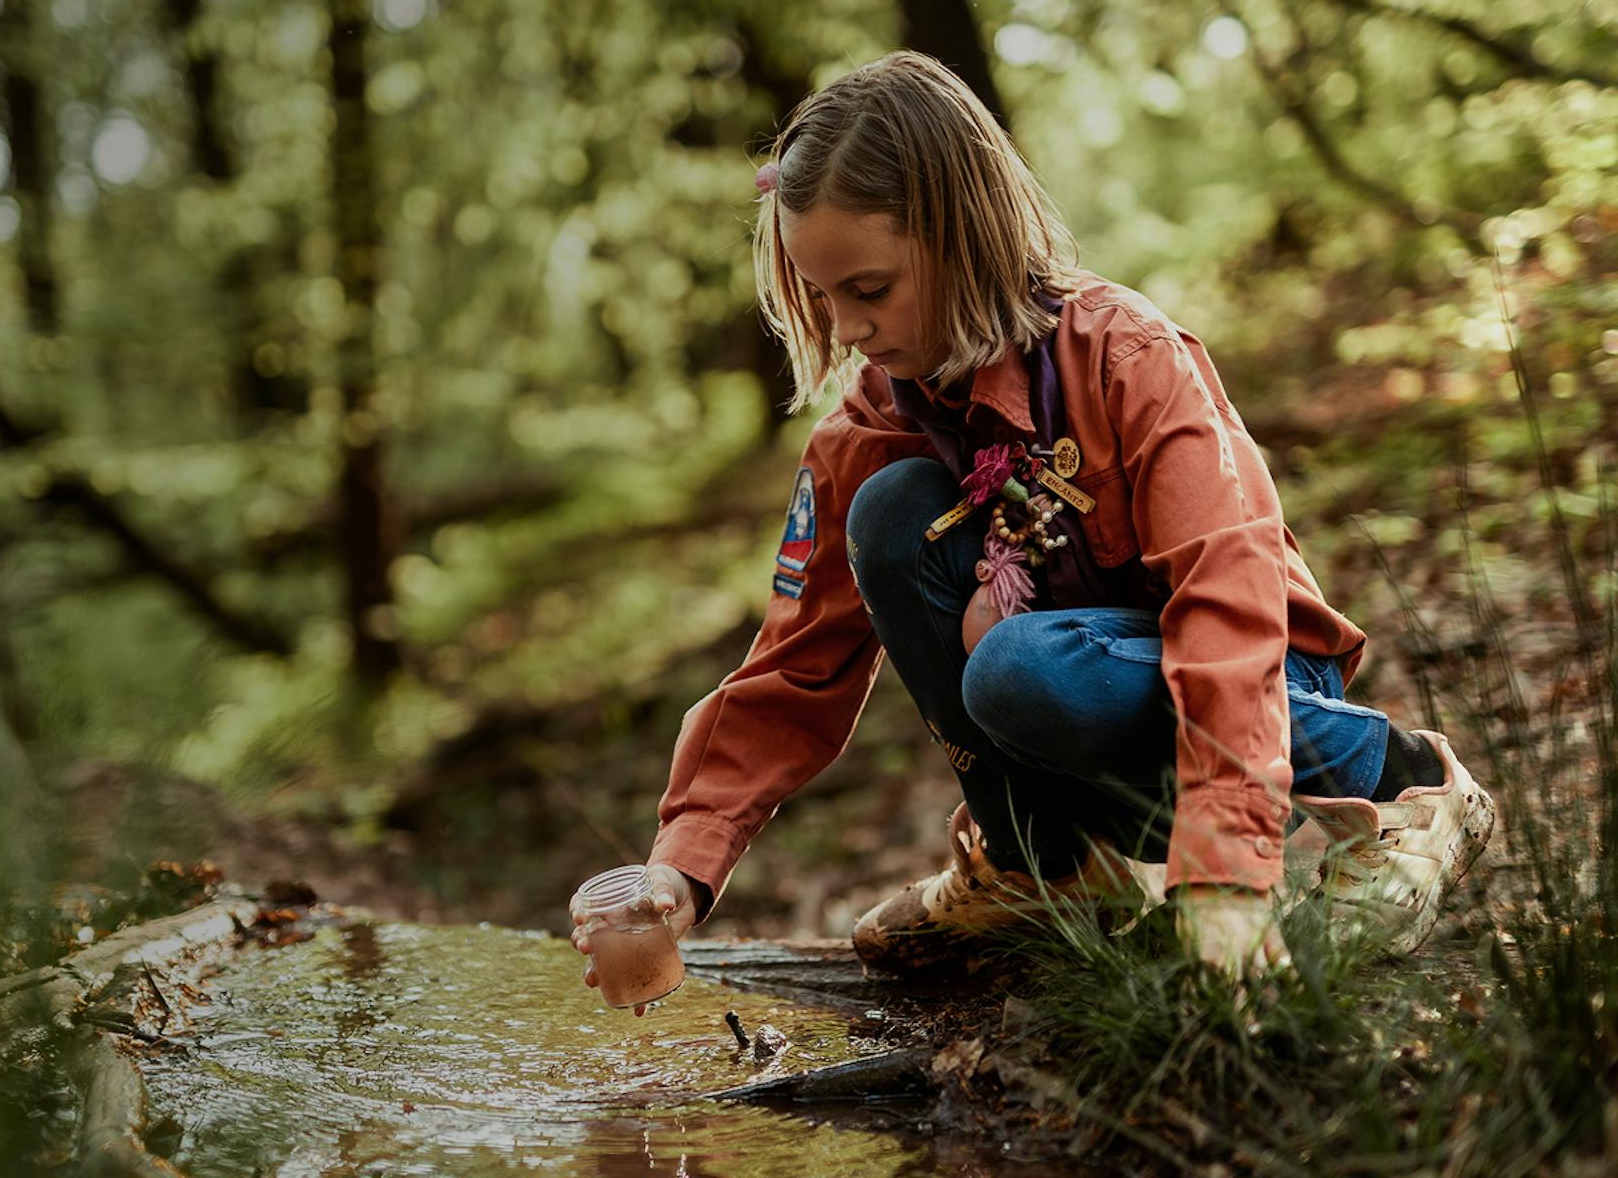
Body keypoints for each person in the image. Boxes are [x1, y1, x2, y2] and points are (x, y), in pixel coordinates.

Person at [570, 50, 1494, 1002]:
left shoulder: (1128, 357)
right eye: (822, 295)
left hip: (1255, 701)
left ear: (959, 236)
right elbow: (796, 660)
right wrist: (681, 865)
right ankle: (1043, 869)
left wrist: (1222, 873)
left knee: (1016, 664)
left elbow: (1229, 603)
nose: (845, 327)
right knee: (893, 517)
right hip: (1073, 724)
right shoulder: (873, 423)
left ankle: (1404, 782)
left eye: (871, 290)